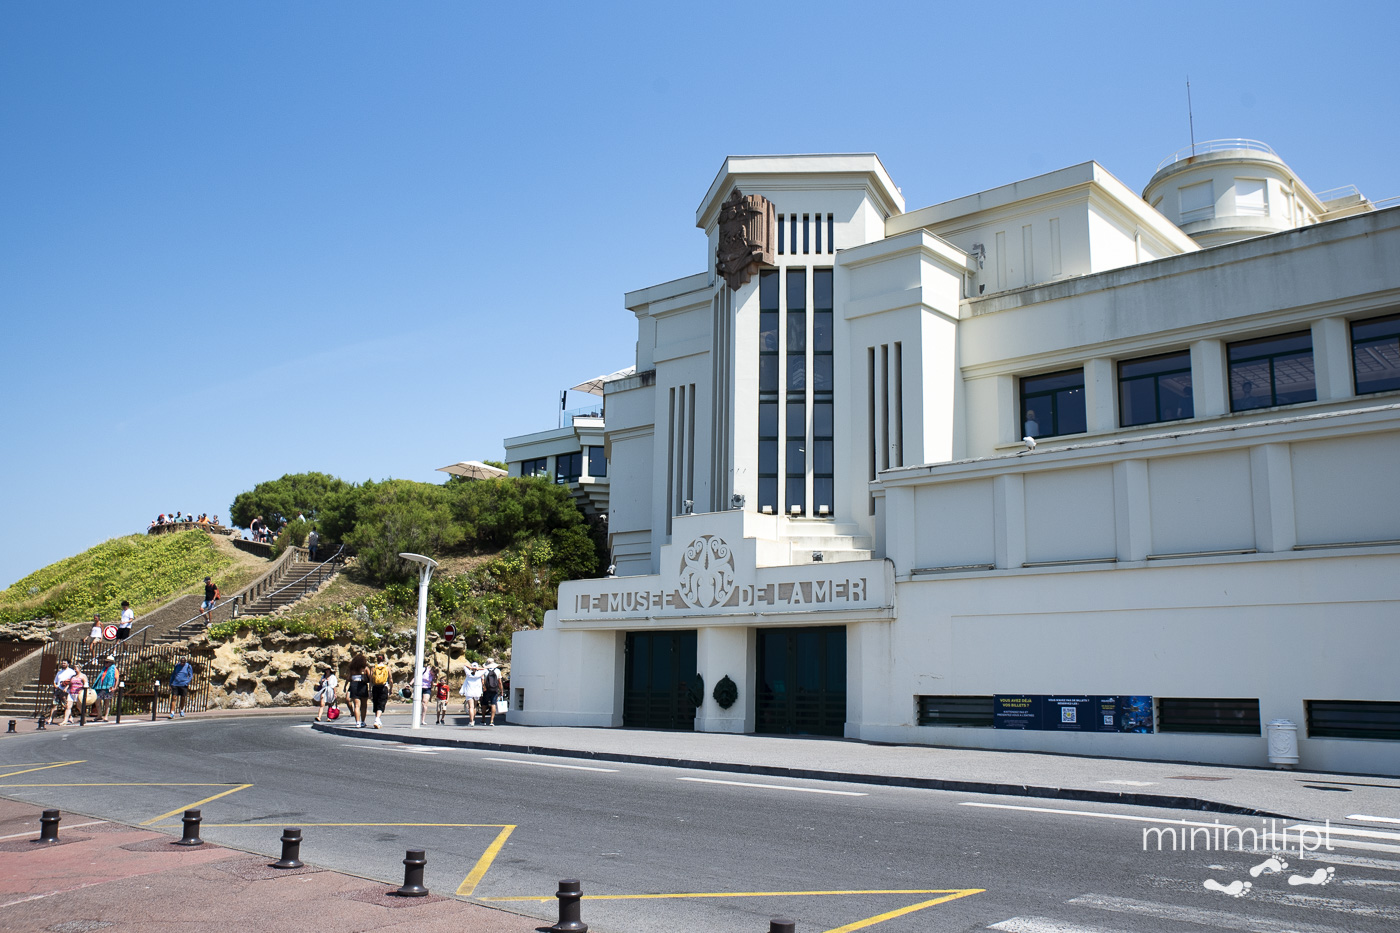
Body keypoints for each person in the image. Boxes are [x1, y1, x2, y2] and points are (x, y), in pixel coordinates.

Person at [92, 655, 119, 721]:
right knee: (97, 700)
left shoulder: (114, 669)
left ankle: (106, 716)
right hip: (101, 687)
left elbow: (117, 678)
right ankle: (99, 714)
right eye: (105, 662)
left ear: (111, 663)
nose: (105, 663)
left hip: (108, 688)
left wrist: (115, 687)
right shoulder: (104, 669)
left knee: (106, 702)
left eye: (107, 662)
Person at [346, 653, 370, 727]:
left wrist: (345, 686)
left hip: (354, 685)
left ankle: (357, 722)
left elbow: (349, 678)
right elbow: (370, 678)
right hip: (362, 686)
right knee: (364, 705)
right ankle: (363, 721)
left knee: (356, 705)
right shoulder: (365, 668)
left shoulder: (352, 669)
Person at [370, 653, 392, 729]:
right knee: (381, 703)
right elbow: (390, 679)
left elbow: (371, 680)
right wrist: (391, 689)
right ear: (384, 659)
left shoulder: (373, 668)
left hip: (375, 687)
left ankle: (377, 720)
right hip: (384, 687)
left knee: (376, 703)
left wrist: (369, 690)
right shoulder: (387, 668)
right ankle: (377, 719)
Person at [460, 661, 484, 725]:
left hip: (469, 692)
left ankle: (471, 721)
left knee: (471, 707)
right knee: (474, 707)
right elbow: (486, 668)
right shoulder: (479, 674)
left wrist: (470, 667)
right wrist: (478, 669)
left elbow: (464, 665)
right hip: (477, 692)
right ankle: (473, 719)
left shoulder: (468, 673)